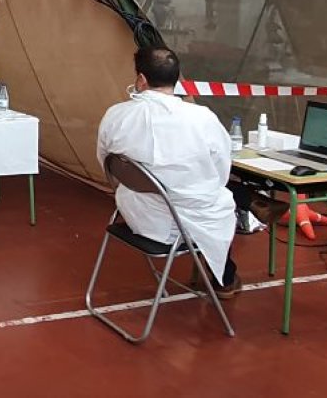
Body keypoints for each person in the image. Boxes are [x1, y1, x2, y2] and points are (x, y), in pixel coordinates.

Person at [96, 46, 241, 298]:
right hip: (185, 222)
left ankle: (224, 273)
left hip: (135, 214)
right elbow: (221, 170)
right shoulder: (202, 118)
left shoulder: (116, 116)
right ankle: (224, 280)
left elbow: (106, 163)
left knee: (220, 196)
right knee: (227, 199)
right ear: (176, 77)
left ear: (141, 80)